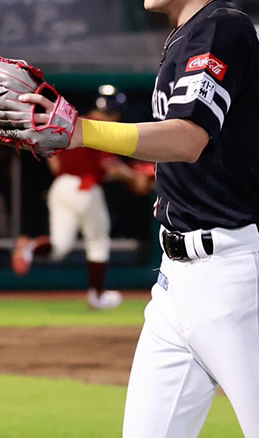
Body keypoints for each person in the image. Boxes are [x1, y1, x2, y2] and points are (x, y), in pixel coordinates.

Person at [10, 0, 259, 436]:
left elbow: (188, 137)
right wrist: (195, 184)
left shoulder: (222, 30)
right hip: (176, 284)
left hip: (236, 282)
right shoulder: (197, 37)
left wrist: (83, 130)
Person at [12, 89, 153, 310]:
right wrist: (136, 177)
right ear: (115, 112)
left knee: (59, 248)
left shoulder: (74, 123)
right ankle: (97, 296)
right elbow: (110, 166)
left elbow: (54, 161)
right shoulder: (101, 127)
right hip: (85, 187)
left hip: (60, 187)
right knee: (98, 242)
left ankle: (30, 247)